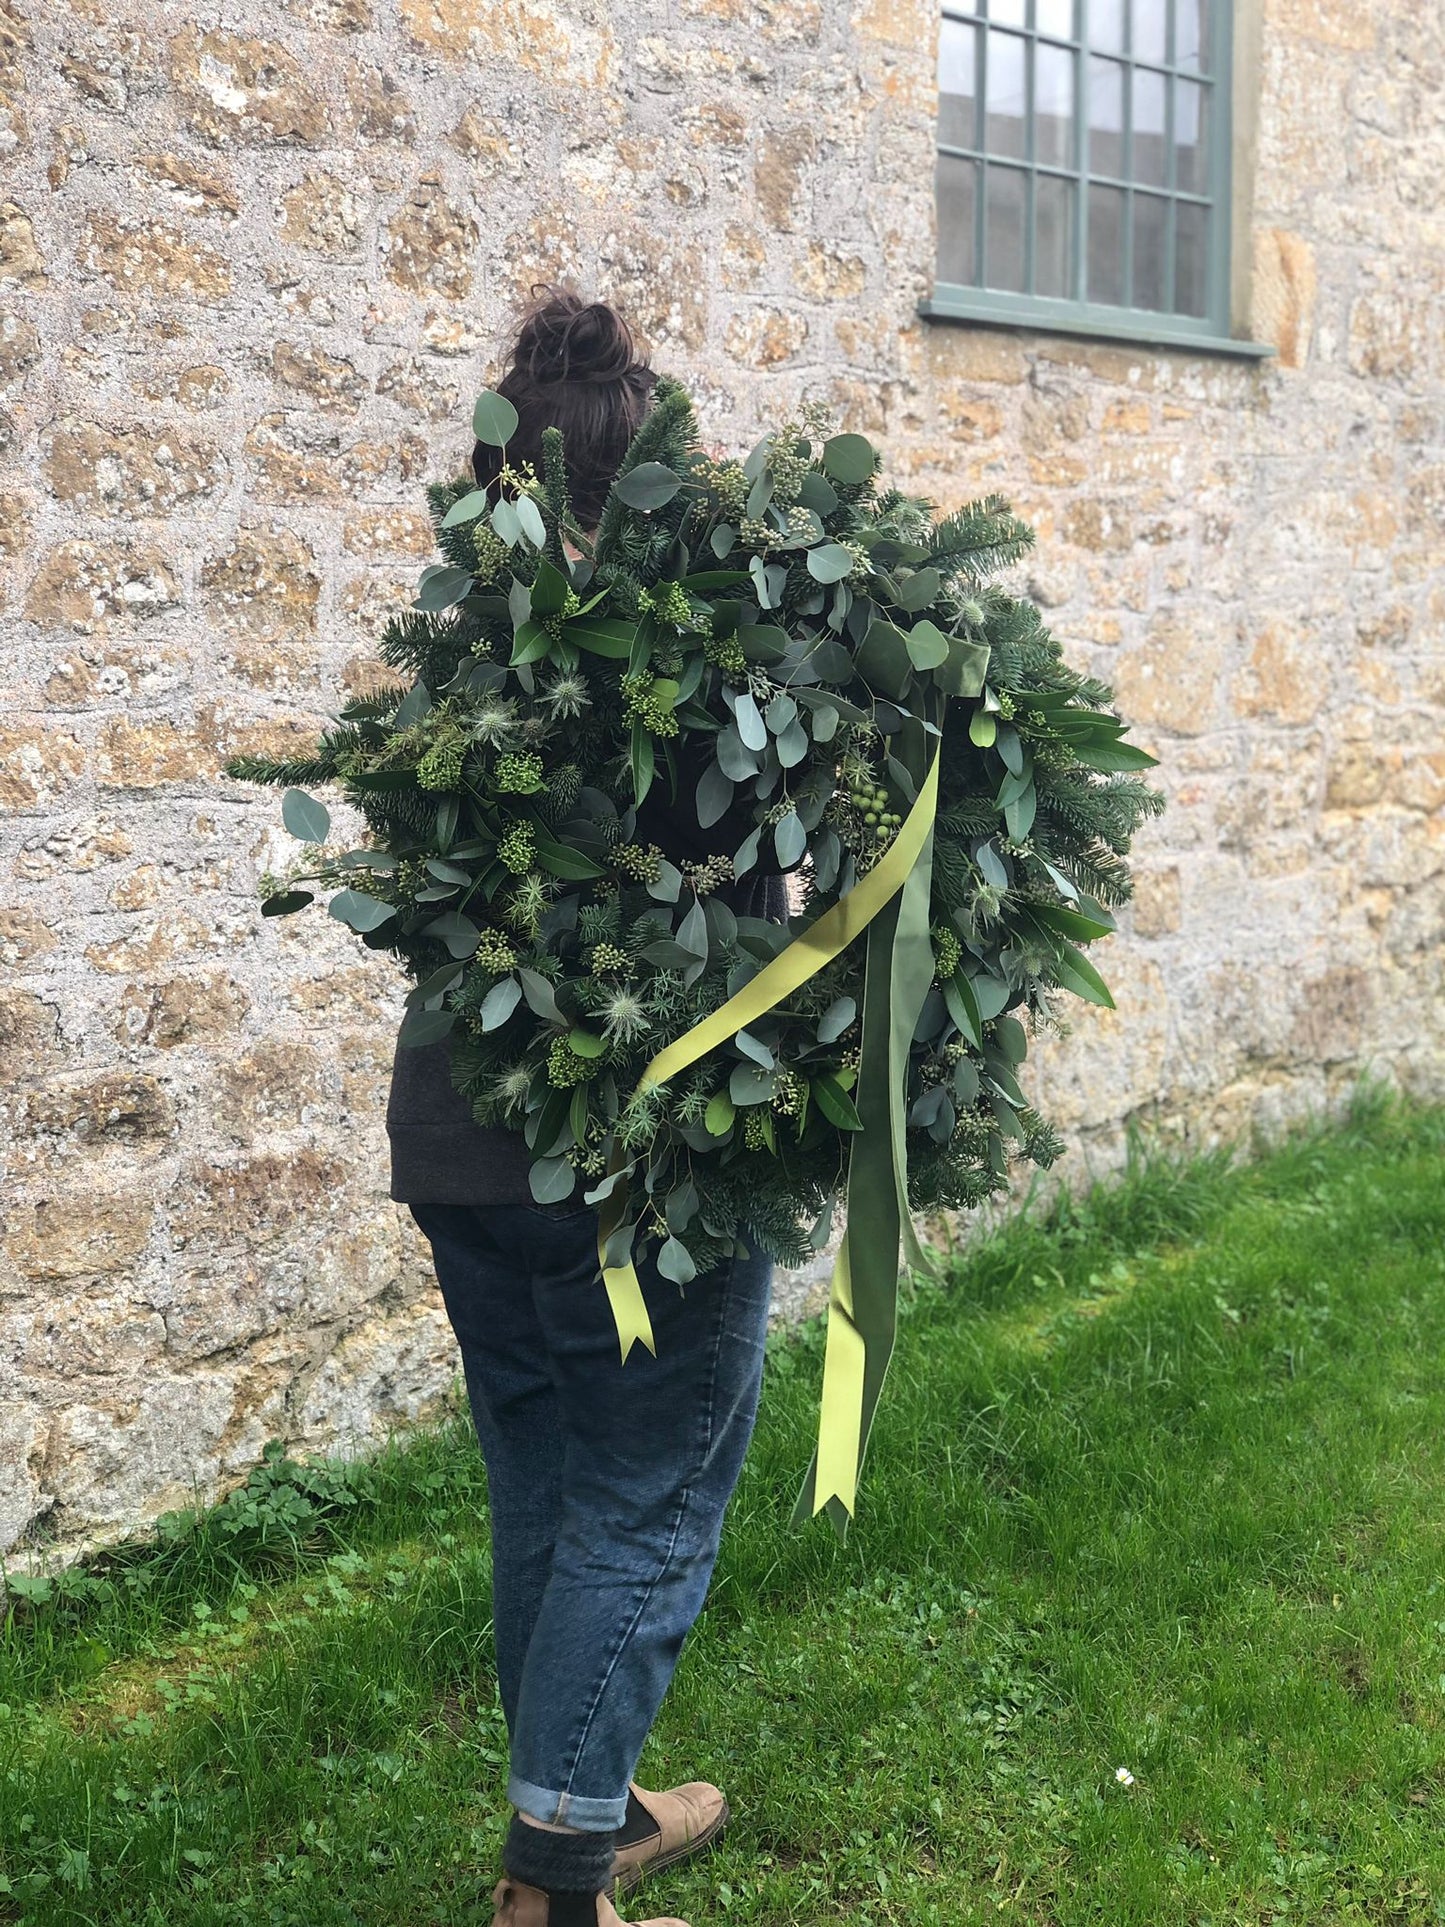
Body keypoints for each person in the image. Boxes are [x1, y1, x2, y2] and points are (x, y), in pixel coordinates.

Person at [386, 287, 788, 1927]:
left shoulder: (455, 647)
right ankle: (553, 1890)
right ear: (660, 465)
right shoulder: (710, 663)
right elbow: (776, 913)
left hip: (460, 1138)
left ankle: (595, 1805)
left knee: (549, 1483)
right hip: (633, 1166)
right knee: (648, 1489)